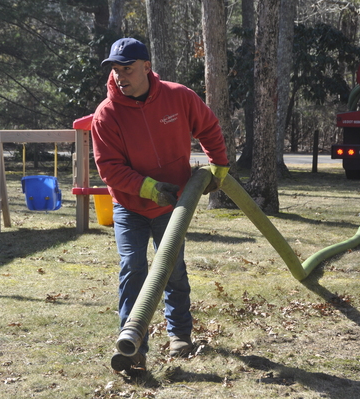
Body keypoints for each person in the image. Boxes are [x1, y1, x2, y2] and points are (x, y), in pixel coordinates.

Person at [91, 37, 230, 375]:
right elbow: (109, 168)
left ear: (147, 67)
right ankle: (133, 344)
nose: (120, 76)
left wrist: (219, 167)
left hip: (174, 205)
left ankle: (180, 335)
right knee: (133, 269)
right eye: (115, 69)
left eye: (127, 69)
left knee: (172, 269)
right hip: (130, 206)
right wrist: (149, 189)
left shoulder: (178, 97)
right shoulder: (106, 115)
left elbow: (209, 128)